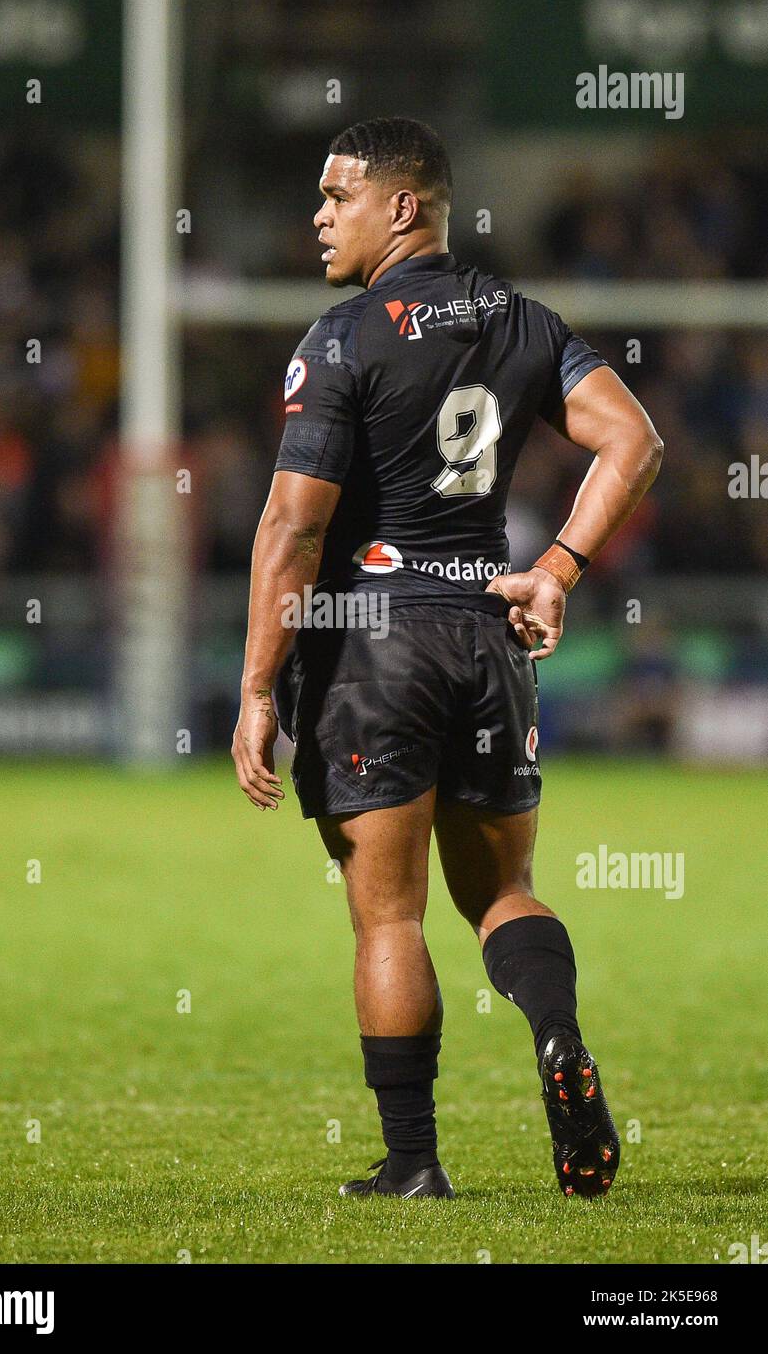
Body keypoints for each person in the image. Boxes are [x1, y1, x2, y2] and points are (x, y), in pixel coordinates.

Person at [232, 118, 663, 1199]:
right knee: (505, 889)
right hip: (486, 631)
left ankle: (414, 1162)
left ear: (403, 206)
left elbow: (291, 528)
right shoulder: (522, 322)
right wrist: (556, 567)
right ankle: (558, 1037)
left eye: (338, 197)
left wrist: (251, 689)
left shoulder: (338, 339)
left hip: (371, 643)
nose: (319, 216)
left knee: (388, 915)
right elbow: (635, 439)